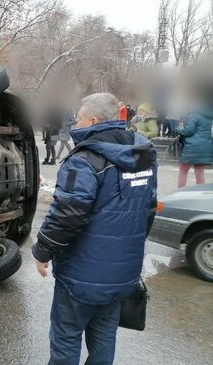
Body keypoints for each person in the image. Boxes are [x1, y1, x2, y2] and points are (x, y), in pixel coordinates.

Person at [32, 93, 157, 365]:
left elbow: (69, 213)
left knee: (66, 339)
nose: (76, 124)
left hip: (81, 275)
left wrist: (42, 251)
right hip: (121, 273)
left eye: (78, 118)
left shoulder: (85, 158)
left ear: (94, 120)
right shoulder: (143, 154)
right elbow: (148, 209)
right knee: (104, 338)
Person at [175, 107, 213, 188]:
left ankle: (180, 193)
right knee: (200, 173)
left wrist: (178, 129)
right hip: (205, 148)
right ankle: (199, 195)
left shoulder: (194, 115)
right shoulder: (210, 116)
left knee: (183, 171)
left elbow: (188, 131)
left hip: (192, 147)